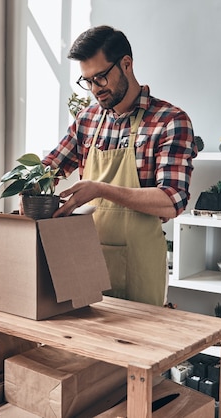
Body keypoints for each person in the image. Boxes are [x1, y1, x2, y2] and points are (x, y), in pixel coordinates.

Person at [42, 25, 197, 306]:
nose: (94, 90)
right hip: (85, 262)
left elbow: (172, 201)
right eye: (87, 81)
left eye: (100, 78)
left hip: (139, 267)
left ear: (126, 64)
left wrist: (101, 189)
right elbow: (51, 167)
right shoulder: (87, 119)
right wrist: (31, 185)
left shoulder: (169, 121)